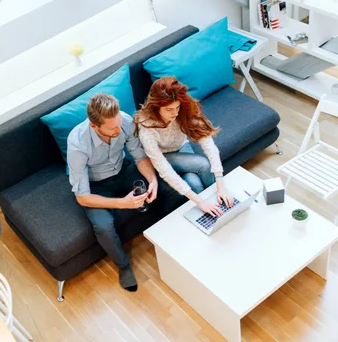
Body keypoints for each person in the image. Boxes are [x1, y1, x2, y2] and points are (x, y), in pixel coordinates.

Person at [67, 93, 181, 292]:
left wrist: (153, 180)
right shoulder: (78, 144)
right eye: (112, 128)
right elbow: (82, 197)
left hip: (123, 170)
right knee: (103, 226)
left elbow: (139, 157)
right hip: (96, 186)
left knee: (167, 189)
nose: (119, 130)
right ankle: (124, 267)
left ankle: (170, 239)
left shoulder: (125, 121)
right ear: (95, 126)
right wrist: (123, 203)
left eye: (119, 124)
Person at [134, 77, 233, 217]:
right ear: (156, 108)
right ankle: (214, 211)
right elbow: (163, 168)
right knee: (203, 164)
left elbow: (209, 145)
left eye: (177, 107)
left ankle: (217, 209)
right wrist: (200, 202)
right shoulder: (147, 126)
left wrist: (221, 187)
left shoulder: (183, 110)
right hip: (160, 158)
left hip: (182, 148)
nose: (175, 113)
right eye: (169, 109)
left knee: (194, 183)